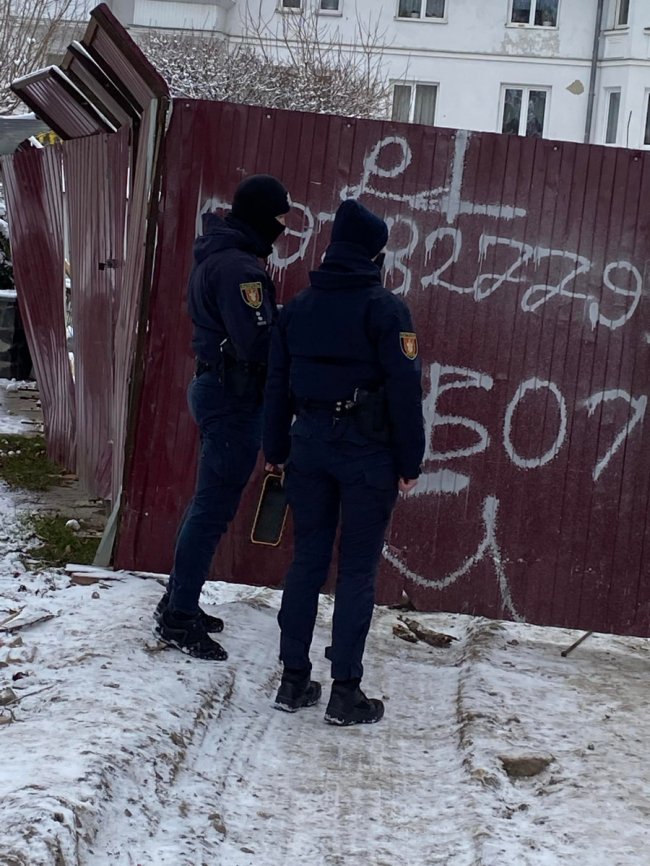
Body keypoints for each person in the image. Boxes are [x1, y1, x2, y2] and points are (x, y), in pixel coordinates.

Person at [263, 199, 425, 726]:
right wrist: (410, 460)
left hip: (307, 446)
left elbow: (276, 386)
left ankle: (292, 681)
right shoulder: (386, 310)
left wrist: (276, 449)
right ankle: (345, 692)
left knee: (306, 561)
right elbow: (404, 392)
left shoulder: (297, 308)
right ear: (374, 255)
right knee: (356, 570)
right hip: (367, 456)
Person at [154, 174, 291, 660]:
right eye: (279, 218)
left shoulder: (217, 257)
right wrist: (291, 330)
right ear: (260, 216)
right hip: (232, 396)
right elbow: (258, 345)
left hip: (215, 386)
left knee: (205, 503)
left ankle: (179, 598)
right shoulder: (241, 271)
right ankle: (178, 617)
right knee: (212, 509)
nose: (281, 228)